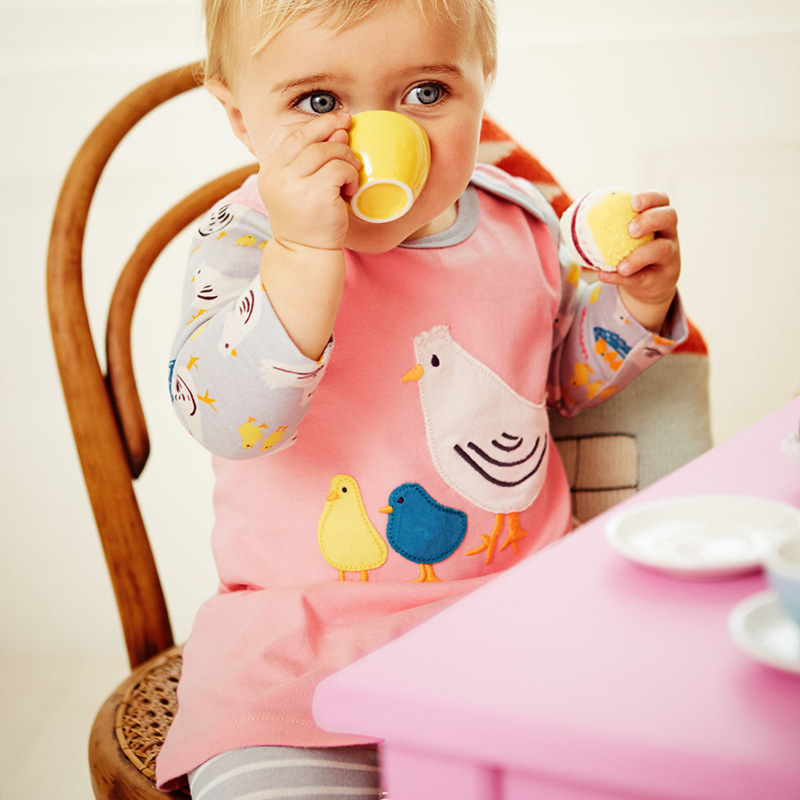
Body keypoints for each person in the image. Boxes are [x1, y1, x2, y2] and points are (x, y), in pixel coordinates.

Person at [157, 0, 685, 796]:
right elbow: (233, 424)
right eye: (319, 102)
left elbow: (553, 387)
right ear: (240, 117)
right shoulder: (241, 244)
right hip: (300, 656)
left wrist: (634, 307)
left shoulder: (522, 224)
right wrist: (302, 253)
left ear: (483, 85)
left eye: (426, 94)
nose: (375, 137)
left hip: (523, 627)